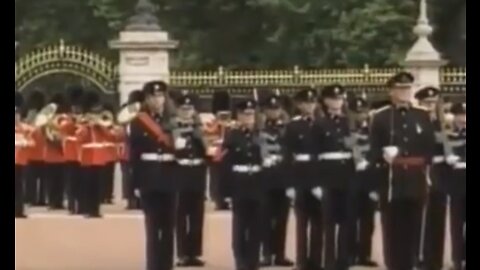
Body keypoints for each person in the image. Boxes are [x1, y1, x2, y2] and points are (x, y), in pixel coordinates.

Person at [369, 71, 435, 270]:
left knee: (415, 228)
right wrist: (383, 154)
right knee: (392, 230)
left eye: (407, 88)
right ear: (392, 91)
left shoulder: (422, 116)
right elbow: (373, 150)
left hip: (415, 180)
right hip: (392, 182)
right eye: (400, 88)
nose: (405, 92)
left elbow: (429, 148)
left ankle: (413, 263)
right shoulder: (381, 118)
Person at [130, 81, 177, 270]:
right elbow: (134, 155)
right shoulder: (138, 121)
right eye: (153, 97)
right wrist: (135, 184)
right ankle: (153, 265)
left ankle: (166, 265)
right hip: (149, 178)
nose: (158, 100)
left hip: (170, 177)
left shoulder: (174, 120)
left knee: (169, 227)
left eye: (160, 96)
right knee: (153, 226)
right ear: (147, 99)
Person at [314, 84, 355, 270]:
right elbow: (314, 153)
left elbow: (357, 148)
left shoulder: (350, 122)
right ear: (325, 101)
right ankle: (329, 262)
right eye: (333, 98)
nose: (337, 101)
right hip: (327, 176)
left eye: (340, 98)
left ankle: (343, 261)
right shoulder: (319, 123)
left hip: (347, 175)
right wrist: (315, 181)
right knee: (329, 222)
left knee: (347, 220)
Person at [220, 98, 264, 270]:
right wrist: (225, 192)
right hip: (239, 185)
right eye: (245, 114)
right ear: (238, 116)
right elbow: (225, 166)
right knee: (240, 226)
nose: (249, 117)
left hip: (257, 184)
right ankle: (241, 260)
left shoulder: (260, 136)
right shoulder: (232, 136)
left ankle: (253, 260)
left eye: (251, 113)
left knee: (257, 226)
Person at [284, 88, 323, 270]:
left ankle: (316, 259)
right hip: (300, 176)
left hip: (319, 176)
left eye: (312, 102)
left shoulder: (323, 123)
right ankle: (301, 260)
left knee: (320, 221)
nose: (310, 105)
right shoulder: (293, 126)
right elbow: (287, 155)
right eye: (306, 103)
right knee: (302, 222)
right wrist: (289, 183)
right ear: (299, 105)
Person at [172, 92, 208, 267]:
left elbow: (208, 151)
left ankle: (194, 252)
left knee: (197, 216)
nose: (187, 112)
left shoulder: (199, 128)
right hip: (180, 173)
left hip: (197, 173)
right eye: (183, 109)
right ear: (178, 110)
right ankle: (182, 253)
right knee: (180, 215)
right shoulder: (172, 127)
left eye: (190, 108)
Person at [414, 86, 448, 270]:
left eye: (433, 103)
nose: (430, 106)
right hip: (422, 172)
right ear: (420, 103)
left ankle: (435, 259)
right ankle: (421, 257)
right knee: (421, 218)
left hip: (440, 174)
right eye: (427, 103)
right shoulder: (416, 123)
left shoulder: (440, 124)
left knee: (438, 218)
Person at [258, 93, 293, 267]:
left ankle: (279, 253)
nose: (274, 112)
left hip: (283, 177)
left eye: (277, 108)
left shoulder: (288, 127)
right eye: (270, 109)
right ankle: (265, 253)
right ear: (264, 110)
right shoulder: (258, 127)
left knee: (281, 218)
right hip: (264, 179)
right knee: (263, 218)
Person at [76, 91, 123, 218]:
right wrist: (87, 126)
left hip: (99, 158)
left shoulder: (102, 123)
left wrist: (100, 126)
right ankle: (85, 208)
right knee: (87, 185)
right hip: (86, 157)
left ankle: (95, 210)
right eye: (93, 111)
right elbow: (80, 137)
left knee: (97, 186)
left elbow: (112, 136)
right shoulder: (82, 123)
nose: (95, 114)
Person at [346, 95, 378, 267]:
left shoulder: (374, 131)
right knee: (350, 219)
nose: (360, 115)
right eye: (356, 112)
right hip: (351, 180)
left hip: (369, 180)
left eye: (363, 111)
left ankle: (365, 254)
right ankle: (350, 254)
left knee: (368, 221)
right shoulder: (345, 129)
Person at [446, 102, 466, 270]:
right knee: (456, 224)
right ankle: (457, 259)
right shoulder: (448, 136)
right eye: (460, 115)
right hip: (456, 185)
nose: (463, 119)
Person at [24, 90, 47, 206]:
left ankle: (31, 198)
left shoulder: (31, 114)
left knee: (31, 178)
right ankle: (41, 198)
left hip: (33, 150)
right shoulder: (45, 115)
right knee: (42, 179)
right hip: (40, 150)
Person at [64, 86, 84, 214]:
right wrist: (73, 122)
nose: (76, 110)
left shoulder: (84, 118)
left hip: (82, 155)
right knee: (71, 182)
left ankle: (81, 205)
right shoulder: (66, 119)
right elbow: (63, 129)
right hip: (71, 155)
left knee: (81, 182)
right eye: (74, 107)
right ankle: (72, 206)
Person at [15, 91, 33, 218]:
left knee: (19, 186)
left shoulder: (25, 128)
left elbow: (33, 142)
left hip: (20, 160)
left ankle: (18, 210)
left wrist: (27, 142)